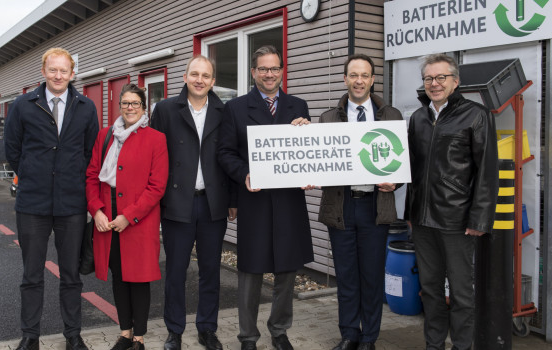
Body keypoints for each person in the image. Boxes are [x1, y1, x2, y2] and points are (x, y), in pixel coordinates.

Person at [217, 45, 314, 350]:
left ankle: (280, 330)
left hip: (288, 201)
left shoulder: (299, 106)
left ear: (282, 71)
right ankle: (247, 336)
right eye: (263, 69)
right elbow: (225, 152)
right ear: (253, 72)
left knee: (287, 268)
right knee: (251, 269)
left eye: (274, 69)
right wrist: (244, 173)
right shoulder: (235, 108)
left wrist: (308, 138)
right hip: (254, 200)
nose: (269, 74)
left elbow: (308, 152)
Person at [4, 47, 99, 350]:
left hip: (71, 205)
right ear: (43, 72)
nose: (58, 76)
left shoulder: (85, 106)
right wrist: (33, 175)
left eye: (64, 71)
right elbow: (13, 149)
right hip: (33, 204)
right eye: (53, 70)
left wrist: (72, 179)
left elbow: (90, 151)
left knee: (71, 275)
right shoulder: (22, 105)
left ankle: (73, 334)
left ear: (73, 74)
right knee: (31, 275)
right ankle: (30, 336)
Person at [406, 53, 498, 350]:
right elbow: (411, 168)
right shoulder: (418, 117)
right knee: (430, 290)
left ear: (455, 81)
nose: (434, 84)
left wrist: (479, 219)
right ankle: (434, 345)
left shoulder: (476, 115)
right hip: (422, 221)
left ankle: (462, 346)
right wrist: (410, 212)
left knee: (460, 292)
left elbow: (487, 171)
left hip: (457, 221)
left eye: (441, 77)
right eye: (429, 78)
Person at [150, 55, 236, 350]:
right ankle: (174, 331)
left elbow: (232, 157)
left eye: (206, 75)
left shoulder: (225, 111)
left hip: (213, 203)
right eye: (194, 74)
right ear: (185, 77)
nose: (200, 80)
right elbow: (154, 157)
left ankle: (207, 329)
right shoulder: (164, 110)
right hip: (176, 202)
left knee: (211, 270)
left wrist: (233, 200)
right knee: (175, 270)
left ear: (213, 81)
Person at [318, 54, 403, 350]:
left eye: (364, 75)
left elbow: (403, 163)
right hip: (341, 206)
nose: (359, 80)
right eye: (353, 75)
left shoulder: (391, 116)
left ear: (372, 80)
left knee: (371, 275)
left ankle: (369, 338)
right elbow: (319, 160)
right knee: (346, 274)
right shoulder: (328, 118)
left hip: (374, 205)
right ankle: (349, 334)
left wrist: (397, 182)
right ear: (345, 79)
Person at [86, 84, 168, 350]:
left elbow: (157, 186)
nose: (130, 108)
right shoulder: (105, 136)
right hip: (107, 217)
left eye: (135, 103)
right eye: (125, 103)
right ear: (119, 107)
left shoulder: (156, 138)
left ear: (144, 107)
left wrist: (128, 216)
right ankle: (124, 332)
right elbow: (91, 176)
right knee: (119, 276)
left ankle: (139, 337)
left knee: (138, 277)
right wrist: (96, 209)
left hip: (138, 220)